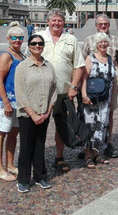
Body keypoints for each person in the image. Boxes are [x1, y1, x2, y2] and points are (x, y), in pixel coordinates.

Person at [34, 9, 85, 172]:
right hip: (41, 92)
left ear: (64, 22)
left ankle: (58, 157)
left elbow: (79, 65)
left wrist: (74, 87)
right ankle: (37, 158)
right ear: (48, 21)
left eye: (60, 21)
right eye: (54, 20)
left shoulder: (71, 39)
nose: (56, 23)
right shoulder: (39, 38)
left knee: (61, 126)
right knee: (39, 125)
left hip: (63, 92)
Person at [15, 34, 57, 193]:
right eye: (34, 44)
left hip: (44, 113)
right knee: (26, 147)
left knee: (40, 146)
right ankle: (23, 179)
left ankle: (40, 176)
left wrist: (47, 111)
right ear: (29, 46)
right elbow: (20, 93)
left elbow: (54, 89)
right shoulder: (22, 67)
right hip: (27, 115)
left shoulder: (49, 66)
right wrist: (32, 114)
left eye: (40, 43)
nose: (37, 46)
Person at [81, 14, 118, 159]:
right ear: (96, 25)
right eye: (100, 24)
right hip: (91, 87)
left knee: (108, 113)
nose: (103, 26)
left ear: (109, 25)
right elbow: (81, 64)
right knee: (89, 115)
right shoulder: (89, 40)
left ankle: (106, 143)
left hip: (109, 86)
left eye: (105, 24)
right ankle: (89, 146)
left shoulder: (115, 40)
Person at [0, 22, 26, 182]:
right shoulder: (6, 55)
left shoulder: (21, 55)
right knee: (0, 134)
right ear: (8, 38)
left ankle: (10, 165)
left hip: (19, 103)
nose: (17, 40)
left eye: (20, 37)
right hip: (7, 102)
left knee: (13, 134)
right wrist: (5, 102)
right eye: (14, 37)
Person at [81, 32, 115, 168]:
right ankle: (87, 155)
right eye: (100, 42)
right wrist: (83, 95)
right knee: (90, 125)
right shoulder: (90, 58)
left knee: (102, 125)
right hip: (91, 99)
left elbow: (112, 82)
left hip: (104, 100)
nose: (103, 44)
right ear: (96, 44)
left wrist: (111, 99)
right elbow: (83, 78)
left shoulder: (111, 59)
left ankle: (96, 153)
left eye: (105, 42)